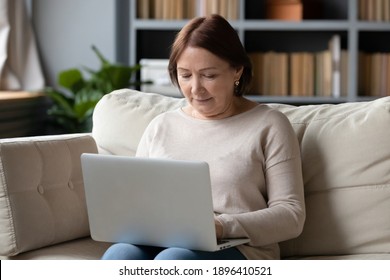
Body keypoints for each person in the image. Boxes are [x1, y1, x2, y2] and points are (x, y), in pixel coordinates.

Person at [102, 14, 305, 260]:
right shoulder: (161, 126)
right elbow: (136, 202)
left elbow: (291, 215)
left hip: (239, 247)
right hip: (164, 240)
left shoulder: (269, 125)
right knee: (120, 254)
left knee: (174, 261)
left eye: (208, 75)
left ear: (237, 71)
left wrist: (221, 226)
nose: (195, 88)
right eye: (185, 75)